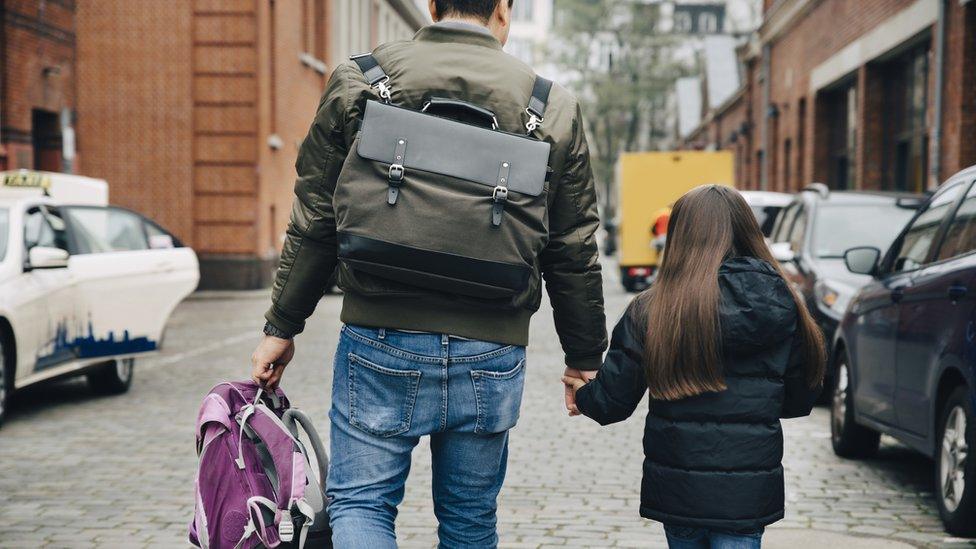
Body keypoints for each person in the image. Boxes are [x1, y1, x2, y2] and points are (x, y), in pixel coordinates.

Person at [250, 0, 608, 547]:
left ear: (432, 6)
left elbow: (316, 215)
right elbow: (572, 246)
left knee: (362, 506)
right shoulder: (551, 106)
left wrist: (282, 326)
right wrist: (583, 359)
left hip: (379, 336)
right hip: (492, 346)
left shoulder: (363, 79)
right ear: (504, 13)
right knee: (469, 521)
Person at [563, 185, 825, 549]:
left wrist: (583, 394)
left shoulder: (654, 309)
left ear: (679, 236)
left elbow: (613, 402)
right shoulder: (782, 303)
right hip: (745, 495)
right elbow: (798, 400)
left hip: (679, 490)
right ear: (748, 231)